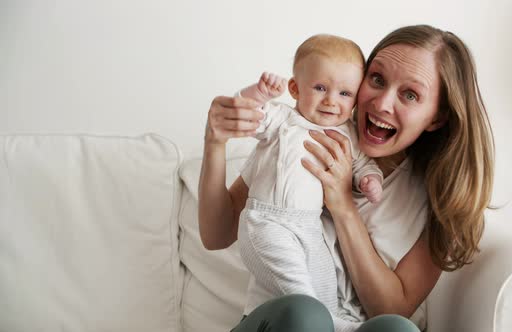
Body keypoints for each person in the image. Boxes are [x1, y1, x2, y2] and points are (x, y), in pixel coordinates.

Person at [198, 24, 495, 332]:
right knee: (306, 316)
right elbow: (216, 235)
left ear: (437, 117)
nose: (381, 103)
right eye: (377, 79)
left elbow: (390, 309)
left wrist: (341, 203)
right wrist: (215, 142)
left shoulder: (440, 200)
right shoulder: (306, 133)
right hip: (281, 323)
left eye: (409, 94)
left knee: (397, 329)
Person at [231, 34, 384, 332]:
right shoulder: (282, 121)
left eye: (344, 94)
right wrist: (259, 94)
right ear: (294, 88)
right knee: (296, 282)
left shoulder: (348, 134)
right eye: (320, 88)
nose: (331, 100)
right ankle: (326, 322)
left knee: (323, 282)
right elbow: (246, 113)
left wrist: (370, 180)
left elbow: (365, 164)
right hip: (267, 220)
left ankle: (331, 321)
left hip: (310, 226)